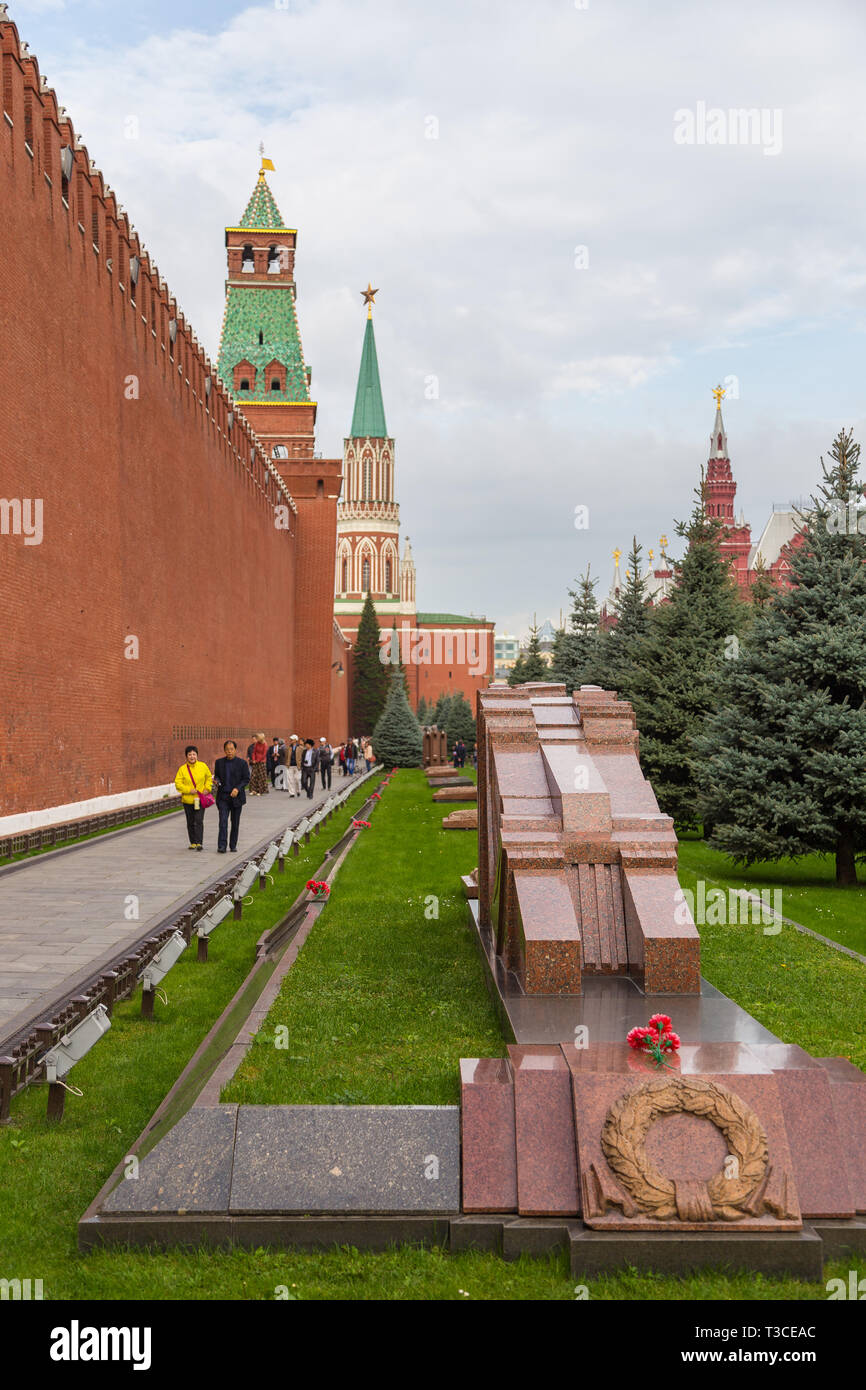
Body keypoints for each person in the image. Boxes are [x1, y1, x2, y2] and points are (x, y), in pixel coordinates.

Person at [174, 745, 213, 851]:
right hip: (188, 800)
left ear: (197, 755)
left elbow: (209, 778)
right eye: (189, 754)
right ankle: (193, 842)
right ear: (186, 756)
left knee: (199, 820)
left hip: (200, 799)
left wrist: (207, 788)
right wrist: (188, 790)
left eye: (194, 754)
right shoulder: (182, 769)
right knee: (190, 821)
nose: (192, 756)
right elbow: (178, 783)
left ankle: (199, 842)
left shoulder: (203, 766)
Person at [214, 740, 250, 853]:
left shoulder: (242, 763)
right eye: (227, 750)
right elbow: (217, 776)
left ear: (235, 750)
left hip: (236, 797)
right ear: (224, 750)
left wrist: (237, 788)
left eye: (231, 749)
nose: (229, 752)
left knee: (235, 823)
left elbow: (246, 779)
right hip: (223, 797)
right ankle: (222, 846)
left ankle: (233, 845)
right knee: (223, 821)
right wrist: (217, 781)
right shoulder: (219, 762)